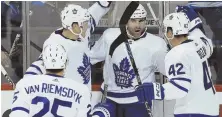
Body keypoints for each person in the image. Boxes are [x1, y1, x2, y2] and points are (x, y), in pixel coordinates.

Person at [90, 2, 168, 117]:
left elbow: (168, 71)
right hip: (110, 100)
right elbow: (90, 57)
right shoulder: (110, 36)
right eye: (133, 20)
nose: (138, 25)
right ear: (126, 20)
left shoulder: (157, 44)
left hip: (139, 103)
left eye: (141, 20)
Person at [136, 12, 219, 117]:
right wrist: (195, 20)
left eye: (166, 30)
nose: (165, 35)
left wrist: (154, 90)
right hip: (211, 109)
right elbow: (207, 42)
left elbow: (180, 88)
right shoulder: (199, 44)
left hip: (191, 111)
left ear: (170, 32)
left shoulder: (176, 54)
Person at [24, 2, 112, 89]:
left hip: (84, 97)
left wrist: (102, 3)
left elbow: (94, 15)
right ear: (74, 26)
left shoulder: (81, 33)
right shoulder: (56, 44)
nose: (87, 26)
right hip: (70, 98)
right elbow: (39, 65)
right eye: (84, 23)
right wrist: (25, 86)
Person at [10, 44, 91, 117]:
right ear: (66, 62)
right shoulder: (81, 90)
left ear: (44, 63)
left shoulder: (25, 84)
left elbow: (17, 114)